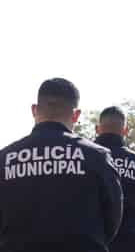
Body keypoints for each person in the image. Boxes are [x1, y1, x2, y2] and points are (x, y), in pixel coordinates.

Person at [0, 78, 123, 252]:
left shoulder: (4, 159)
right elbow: (112, 220)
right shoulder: (98, 157)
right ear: (76, 115)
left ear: (34, 110)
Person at [95, 106, 135, 252]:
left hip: (94, 242)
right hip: (132, 243)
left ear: (98, 129)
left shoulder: (85, 157)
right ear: (125, 131)